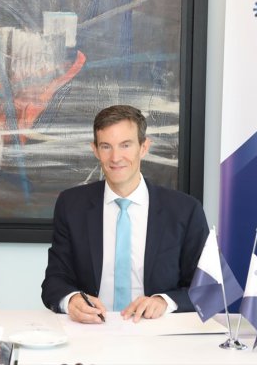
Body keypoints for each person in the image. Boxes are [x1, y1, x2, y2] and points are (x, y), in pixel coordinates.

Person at [41, 105, 209, 324]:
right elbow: (54, 282)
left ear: (144, 147)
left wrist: (165, 301)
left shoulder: (185, 210)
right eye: (106, 146)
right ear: (95, 150)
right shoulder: (71, 205)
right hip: (92, 331)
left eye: (126, 145)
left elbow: (208, 288)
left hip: (157, 332)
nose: (115, 157)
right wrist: (72, 300)